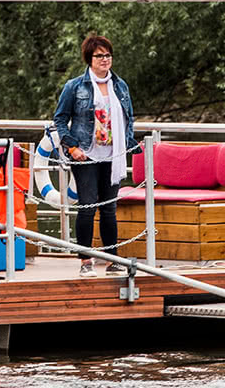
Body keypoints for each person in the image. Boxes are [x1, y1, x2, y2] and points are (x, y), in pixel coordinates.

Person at [50, 34, 135, 277]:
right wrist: (72, 147)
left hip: (113, 154)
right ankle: (85, 260)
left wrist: (127, 142)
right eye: (99, 56)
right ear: (90, 58)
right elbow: (60, 119)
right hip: (86, 154)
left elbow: (130, 117)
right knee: (87, 206)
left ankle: (111, 259)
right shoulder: (74, 86)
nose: (105, 60)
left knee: (109, 208)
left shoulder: (120, 85)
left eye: (108, 55)